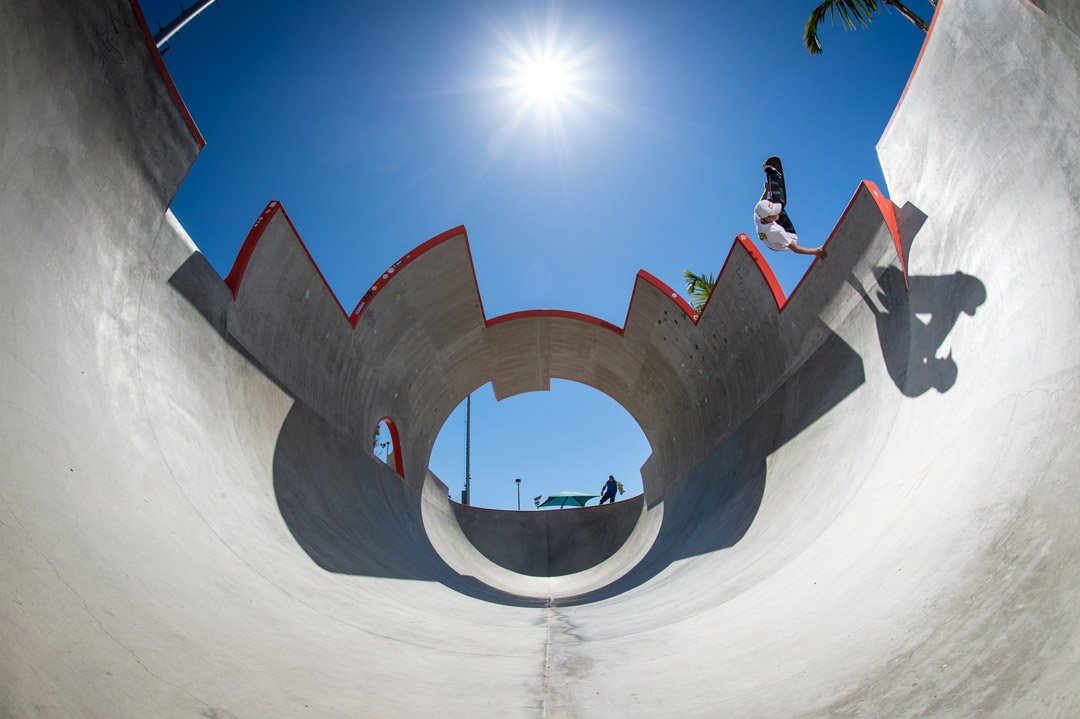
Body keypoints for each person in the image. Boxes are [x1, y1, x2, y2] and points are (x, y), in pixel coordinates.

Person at [754, 161, 827, 260]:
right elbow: (796, 249)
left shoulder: (758, 215)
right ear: (767, 218)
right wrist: (816, 251)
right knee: (779, 203)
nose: (777, 215)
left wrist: (766, 190)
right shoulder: (777, 231)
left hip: (771, 241)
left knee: (770, 201)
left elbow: (761, 203)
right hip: (789, 237)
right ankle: (775, 177)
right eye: (775, 214)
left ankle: (772, 186)